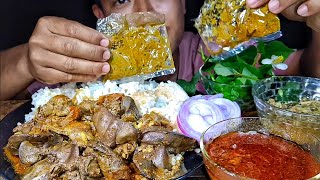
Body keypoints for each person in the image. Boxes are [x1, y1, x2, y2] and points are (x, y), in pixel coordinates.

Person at [0, 0, 319, 100]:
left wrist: (316, 22)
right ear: (101, 16)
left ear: (182, 4)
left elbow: (305, 69)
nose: (146, 11)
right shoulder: (76, 63)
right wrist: (25, 62)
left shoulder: (212, 52)